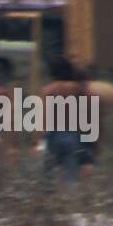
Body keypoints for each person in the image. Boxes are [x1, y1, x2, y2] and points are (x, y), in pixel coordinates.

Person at [40, 56, 92, 185]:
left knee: (48, 176)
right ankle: (71, 202)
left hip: (52, 134)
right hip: (72, 134)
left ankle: (48, 200)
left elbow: (44, 116)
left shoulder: (47, 90)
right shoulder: (77, 89)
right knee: (70, 178)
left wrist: (40, 138)